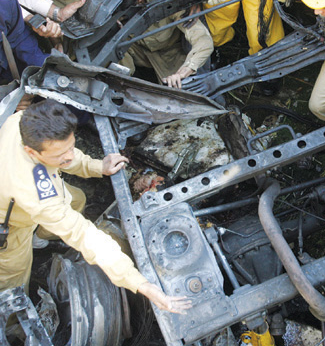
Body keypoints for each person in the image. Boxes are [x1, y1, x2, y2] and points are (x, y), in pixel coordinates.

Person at [0, 99, 192, 314]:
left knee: (77, 199)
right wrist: (140, 283)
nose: (70, 156)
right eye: (60, 157)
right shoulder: (36, 195)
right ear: (32, 152)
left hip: (28, 194)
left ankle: (41, 238)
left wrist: (97, 166)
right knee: (13, 281)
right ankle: (14, 325)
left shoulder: (20, 121)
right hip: (10, 226)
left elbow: (65, 156)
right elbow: (84, 236)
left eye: (71, 146)